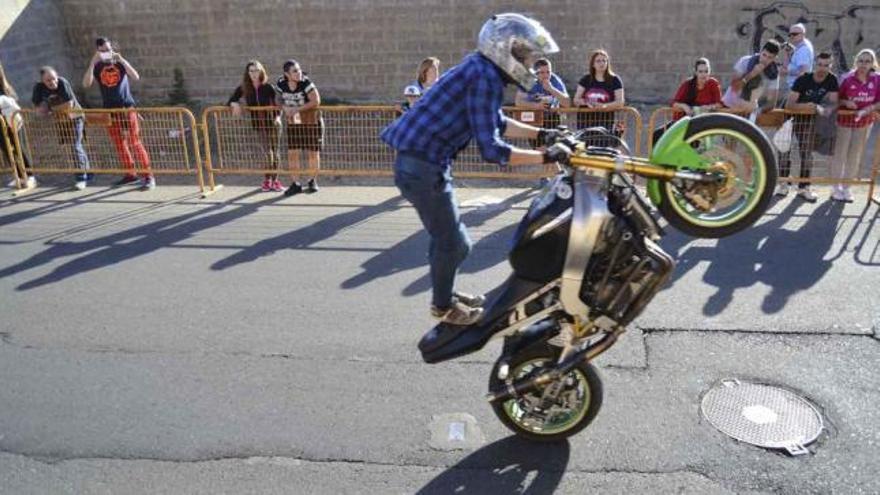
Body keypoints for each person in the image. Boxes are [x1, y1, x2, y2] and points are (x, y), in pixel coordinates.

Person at [380, 13, 571, 326]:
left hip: (421, 163)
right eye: (523, 56)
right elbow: (493, 149)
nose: (527, 63)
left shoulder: (480, 69)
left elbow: (495, 119)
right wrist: (546, 156)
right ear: (503, 51)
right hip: (422, 166)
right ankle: (443, 306)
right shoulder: (484, 76)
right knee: (455, 243)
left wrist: (541, 135)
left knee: (447, 239)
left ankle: (445, 295)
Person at [82, 37, 155, 190]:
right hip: (109, 110)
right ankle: (130, 174)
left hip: (126, 108)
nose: (106, 54)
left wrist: (121, 59)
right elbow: (86, 84)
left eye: (108, 50)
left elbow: (135, 76)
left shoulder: (120, 63)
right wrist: (92, 62)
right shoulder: (96, 66)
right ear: (97, 51)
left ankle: (148, 176)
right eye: (102, 51)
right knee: (119, 144)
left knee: (135, 142)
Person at [777, 52, 838, 202]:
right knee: (784, 151)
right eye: (820, 64)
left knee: (806, 153)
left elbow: (833, 101)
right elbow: (790, 104)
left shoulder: (832, 79)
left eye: (826, 65)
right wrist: (808, 106)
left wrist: (827, 108)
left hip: (809, 119)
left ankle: (804, 188)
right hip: (789, 117)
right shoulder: (803, 79)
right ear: (814, 64)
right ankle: (784, 183)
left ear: (831, 66)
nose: (822, 68)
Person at [32, 66, 92, 190]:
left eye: (54, 79)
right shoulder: (38, 88)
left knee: (75, 146)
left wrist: (50, 109)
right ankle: (88, 172)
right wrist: (44, 108)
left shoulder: (63, 83)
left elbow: (68, 105)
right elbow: (38, 110)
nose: (53, 82)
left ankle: (81, 178)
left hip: (75, 117)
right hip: (61, 120)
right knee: (74, 147)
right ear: (42, 81)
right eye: (48, 80)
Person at [831, 49, 880, 203]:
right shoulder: (847, 78)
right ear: (856, 62)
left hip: (864, 122)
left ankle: (847, 187)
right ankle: (835, 188)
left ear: (872, 63)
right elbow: (836, 100)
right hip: (844, 121)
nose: (863, 64)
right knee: (841, 153)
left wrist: (867, 109)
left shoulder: (877, 79)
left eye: (867, 61)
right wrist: (846, 102)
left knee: (855, 155)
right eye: (861, 61)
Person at [227, 60, 282, 192]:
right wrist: (234, 104)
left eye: (256, 70)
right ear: (247, 73)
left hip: (273, 123)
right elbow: (231, 100)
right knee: (266, 153)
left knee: (275, 152)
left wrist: (278, 117)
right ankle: (267, 180)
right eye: (251, 71)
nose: (254, 73)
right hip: (258, 125)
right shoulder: (244, 87)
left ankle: (275, 180)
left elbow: (278, 104)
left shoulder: (268, 87)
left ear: (261, 71)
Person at [276, 59, 322, 195]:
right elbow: (277, 98)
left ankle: (312, 180)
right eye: (295, 71)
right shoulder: (281, 83)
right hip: (293, 122)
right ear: (287, 74)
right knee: (292, 153)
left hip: (310, 121)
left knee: (312, 153)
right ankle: (295, 184)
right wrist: (284, 107)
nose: (299, 72)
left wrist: (297, 109)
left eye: (299, 69)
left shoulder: (306, 82)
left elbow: (316, 100)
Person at [572, 49, 625, 146]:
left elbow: (620, 102)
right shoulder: (586, 79)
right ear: (593, 64)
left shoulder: (615, 80)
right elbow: (576, 100)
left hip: (605, 122)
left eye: (604, 60)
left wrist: (604, 106)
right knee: (585, 150)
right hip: (585, 123)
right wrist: (585, 102)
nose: (602, 63)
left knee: (602, 151)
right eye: (598, 61)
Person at [721, 40, 781, 114]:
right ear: (761, 52)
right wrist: (751, 74)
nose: (765, 59)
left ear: (774, 59)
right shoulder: (745, 61)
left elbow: (771, 103)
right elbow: (734, 87)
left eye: (769, 57)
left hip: (749, 110)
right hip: (729, 107)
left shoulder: (773, 73)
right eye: (764, 55)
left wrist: (757, 112)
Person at [0, 62, 34, 189]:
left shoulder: (5, 87)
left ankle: (30, 176)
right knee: (7, 149)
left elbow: (13, 100)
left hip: (12, 120)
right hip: (1, 124)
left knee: (20, 147)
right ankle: (19, 176)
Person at [515, 57, 570, 131]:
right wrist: (537, 106)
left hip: (553, 118)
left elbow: (567, 103)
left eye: (548, 72)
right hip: (535, 117)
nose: (546, 75)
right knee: (536, 140)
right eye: (542, 72)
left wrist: (551, 89)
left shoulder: (555, 80)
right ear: (536, 73)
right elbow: (518, 101)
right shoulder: (529, 80)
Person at [780, 23, 814, 96]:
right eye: (790, 34)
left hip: (797, 89)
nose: (792, 36)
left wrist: (787, 72)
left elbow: (804, 72)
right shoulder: (799, 46)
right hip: (796, 87)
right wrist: (787, 53)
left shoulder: (803, 50)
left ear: (803, 34)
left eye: (795, 34)